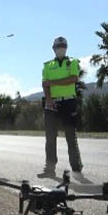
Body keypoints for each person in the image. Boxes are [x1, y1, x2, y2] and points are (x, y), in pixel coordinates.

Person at [41, 36, 83, 174]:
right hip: (52, 103)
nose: (61, 49)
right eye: (58, 47)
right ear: (53, 49)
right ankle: (50, 167)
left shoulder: (73, 62)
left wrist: (52, 83)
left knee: (70, 136)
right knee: (50, 137)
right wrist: (48, 99)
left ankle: (76, 167)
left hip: (68, 102)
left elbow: (73, 79)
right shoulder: (47, 65)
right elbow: (44, 84)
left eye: (63, 46)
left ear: (66, 48)